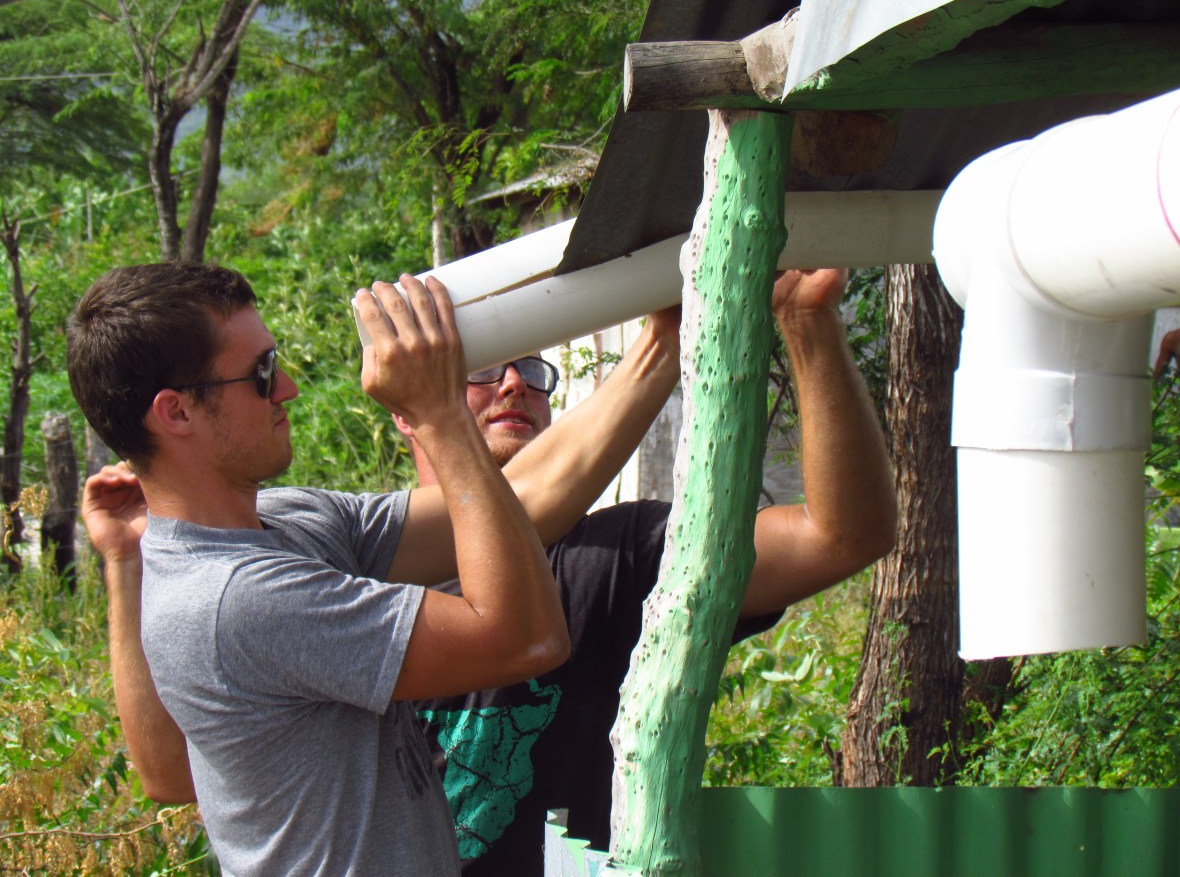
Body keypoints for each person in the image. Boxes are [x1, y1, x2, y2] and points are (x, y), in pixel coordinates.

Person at [82, 266, 894, 876]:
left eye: (528, 371)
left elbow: (531, 498)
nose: (287, 386)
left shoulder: (286, 526)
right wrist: (440, 411)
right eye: (260, 374)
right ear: (176, 411)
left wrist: (670, 343)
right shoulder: (239, 599)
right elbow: (526, 634)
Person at [401, 268, 896, 875]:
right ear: (408, 406)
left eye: (530, 369)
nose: (512, 383)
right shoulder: (352, 574)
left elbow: (840, 536)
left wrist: (807, 322)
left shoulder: (612, 558)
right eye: (483, 366)